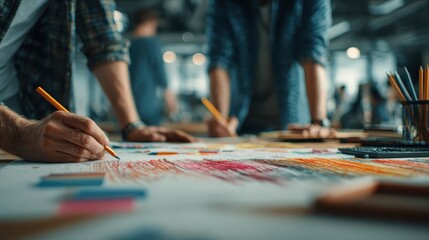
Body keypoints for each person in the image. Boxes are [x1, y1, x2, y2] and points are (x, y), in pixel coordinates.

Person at [0, 0, 194, 163]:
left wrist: (132, 125)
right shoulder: (149, 44)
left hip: (16, 96)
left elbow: (103, 37)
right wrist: (20, 135)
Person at [206, 0, 332, 137]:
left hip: (294, 124)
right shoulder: (223, 3)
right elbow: (220, 60)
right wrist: (221, 119)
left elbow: (314, 52)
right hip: (241, 123)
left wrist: (318, 122)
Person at [129, 8, 178, 126]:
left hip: (128, 107)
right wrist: (170, 99)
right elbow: (160, 73)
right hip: (148, 107)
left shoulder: (127, 45)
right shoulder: (150, 43)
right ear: (148, 23)